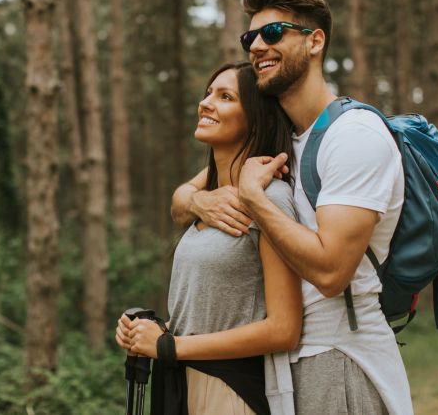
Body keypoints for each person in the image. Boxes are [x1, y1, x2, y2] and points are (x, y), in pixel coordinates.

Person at [171, 0, 414, 415]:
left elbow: (331, 272)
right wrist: (199, 202)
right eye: (251, 38)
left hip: (340, 358)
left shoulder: (353, 136)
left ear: (315, 41)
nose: (258, 46)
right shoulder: (288, 135)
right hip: (288, 367)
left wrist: (252, 198)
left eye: (274, 32)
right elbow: (184, 196)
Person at [116, 61, 303, 414]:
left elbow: (284, 328)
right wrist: (151, 333)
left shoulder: (268, 198)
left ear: (256, 119)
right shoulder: (208, 201)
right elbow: (213, 316)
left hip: (229, 393)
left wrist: (169, 346)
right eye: (207, 94)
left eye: (225, 96)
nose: (206, 103)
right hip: (183, 388)